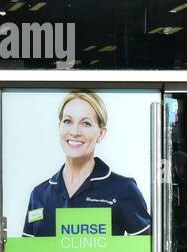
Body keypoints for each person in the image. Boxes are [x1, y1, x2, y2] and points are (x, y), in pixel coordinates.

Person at [22, 90, 151, 237]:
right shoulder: (39, 195)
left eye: (86, 123)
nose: (75, 131)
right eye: (68, 121)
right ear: (59, 127)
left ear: (101, 133)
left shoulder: (123, 189)